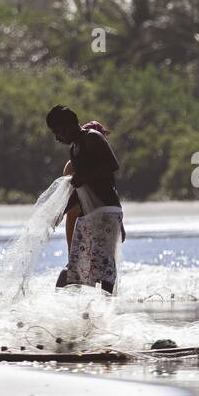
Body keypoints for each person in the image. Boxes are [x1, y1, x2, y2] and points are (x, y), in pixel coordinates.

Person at [45, 105, 123, 294]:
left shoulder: (92, 138)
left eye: (58, 132)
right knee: (76, 264)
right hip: (88, 214)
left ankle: (106, 307)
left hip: (105, 211)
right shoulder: (74, 149)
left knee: (104, 266)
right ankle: (77, 309)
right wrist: (61, 211)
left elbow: (112, 165)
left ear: (70, 125)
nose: (57, 137)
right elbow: (80, 190)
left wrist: (85, 177)